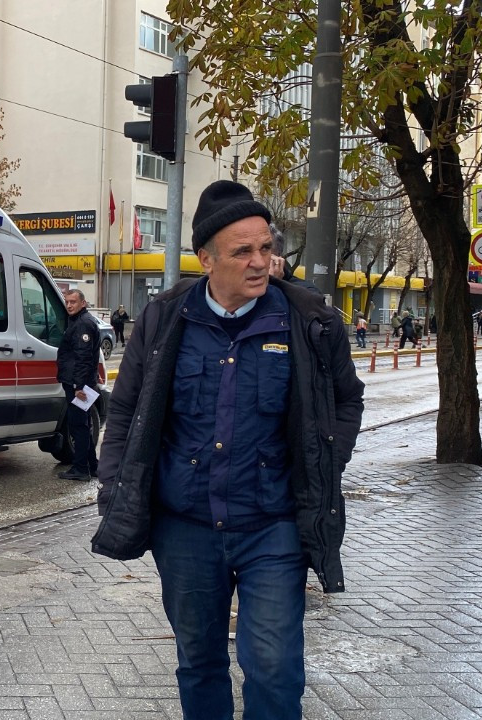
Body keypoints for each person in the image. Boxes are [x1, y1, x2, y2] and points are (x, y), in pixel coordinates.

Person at [92, 180, 364, 720]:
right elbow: (124, 411)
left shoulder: (310, 323)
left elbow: (346, 402)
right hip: (186, 527)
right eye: (243, 251)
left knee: (274, 666)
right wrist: (114, 481)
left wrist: (327, 461)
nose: (261, 262)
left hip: (273, 526)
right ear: (206, 259)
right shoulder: (165, 320)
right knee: (199, 660)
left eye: (267, 247)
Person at [55, 289, 100, 481]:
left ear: (83, 303)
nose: (69, 305)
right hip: (80, 383)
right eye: (67, 302)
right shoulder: (80, 321)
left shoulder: (83, 324)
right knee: (83, 424)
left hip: (80, 385)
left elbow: (83, 358)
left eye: (73, 302)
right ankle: (92, 465)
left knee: (78, 426)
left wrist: (79, 387)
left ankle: (81, 468)